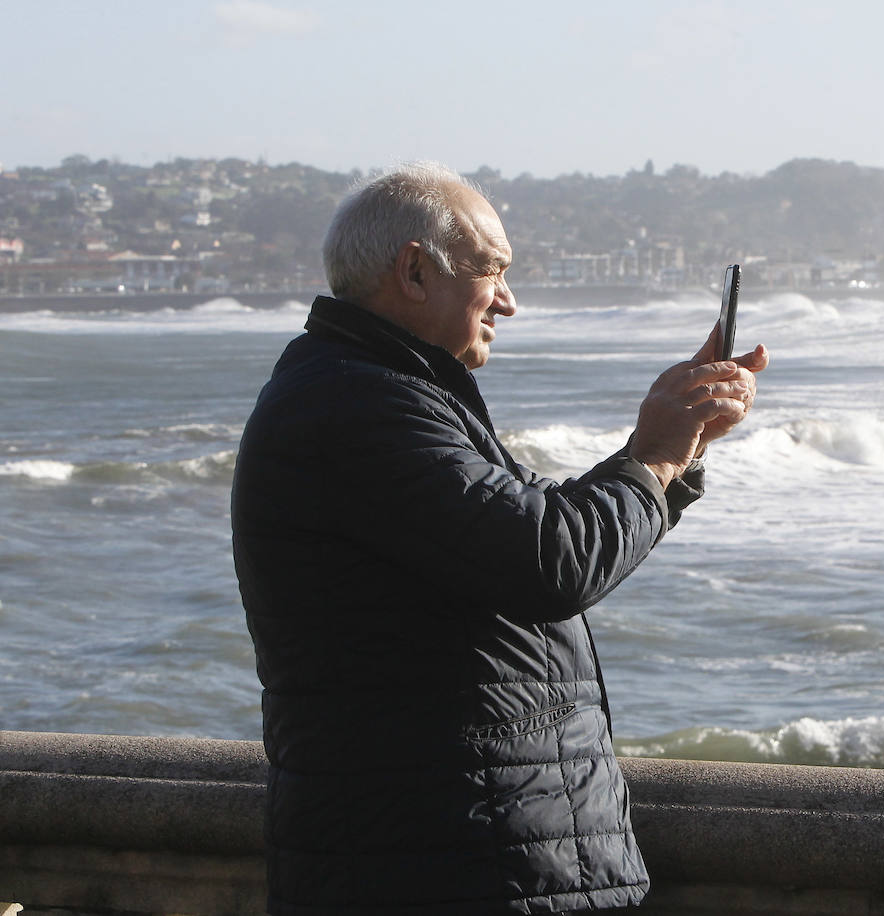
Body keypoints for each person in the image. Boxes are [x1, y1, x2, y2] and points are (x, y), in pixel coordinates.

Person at [231, 161, 767, 915]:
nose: (508, 302)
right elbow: (548, 562)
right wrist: (655, 456)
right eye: (491, 270)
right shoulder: (357, 403)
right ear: (415, 271)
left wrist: (677, 450)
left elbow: (525, 536)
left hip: (465, 852)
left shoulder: (383, 389)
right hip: (443, 865)